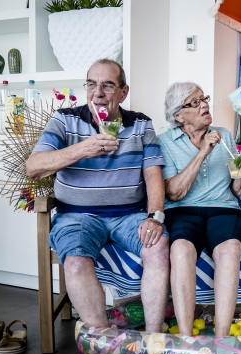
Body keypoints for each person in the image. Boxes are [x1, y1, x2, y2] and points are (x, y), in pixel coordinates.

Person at [26, 59, 169, 333]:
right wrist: (82, 149)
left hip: (130, 216)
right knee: (76, 262)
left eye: (107, 85)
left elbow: (153, 175)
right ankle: (105, 343)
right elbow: (34, 166)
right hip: (77, 216)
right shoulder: (64, 119)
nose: (98, 92)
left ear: (123, 92)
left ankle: (153, 338)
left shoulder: (140, 124)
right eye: (91, 84)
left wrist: (155, 217)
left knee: (159, 246)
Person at [157, 82, 241, 337]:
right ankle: (186, 339)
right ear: (178, 115)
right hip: (183, 210)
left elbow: (238, 190)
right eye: (194, 102)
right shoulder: (164, 142)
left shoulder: (226, 136)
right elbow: (174, 192)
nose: (205, 105)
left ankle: (221, 339)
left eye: (204, 99)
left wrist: (240, 175)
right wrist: (202, 152)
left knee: (230, 249)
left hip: (224, 210)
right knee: (180, 250)